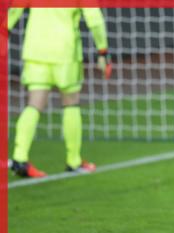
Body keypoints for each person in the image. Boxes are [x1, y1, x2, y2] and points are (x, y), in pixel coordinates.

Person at [7, 8, 111, 178]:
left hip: (35, 50)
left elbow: (14, 10)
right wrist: (103, 51)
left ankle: (20, 158)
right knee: (71, 103)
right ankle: (73, 161)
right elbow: (94, 18)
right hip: (65, 51)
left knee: (34, 104)